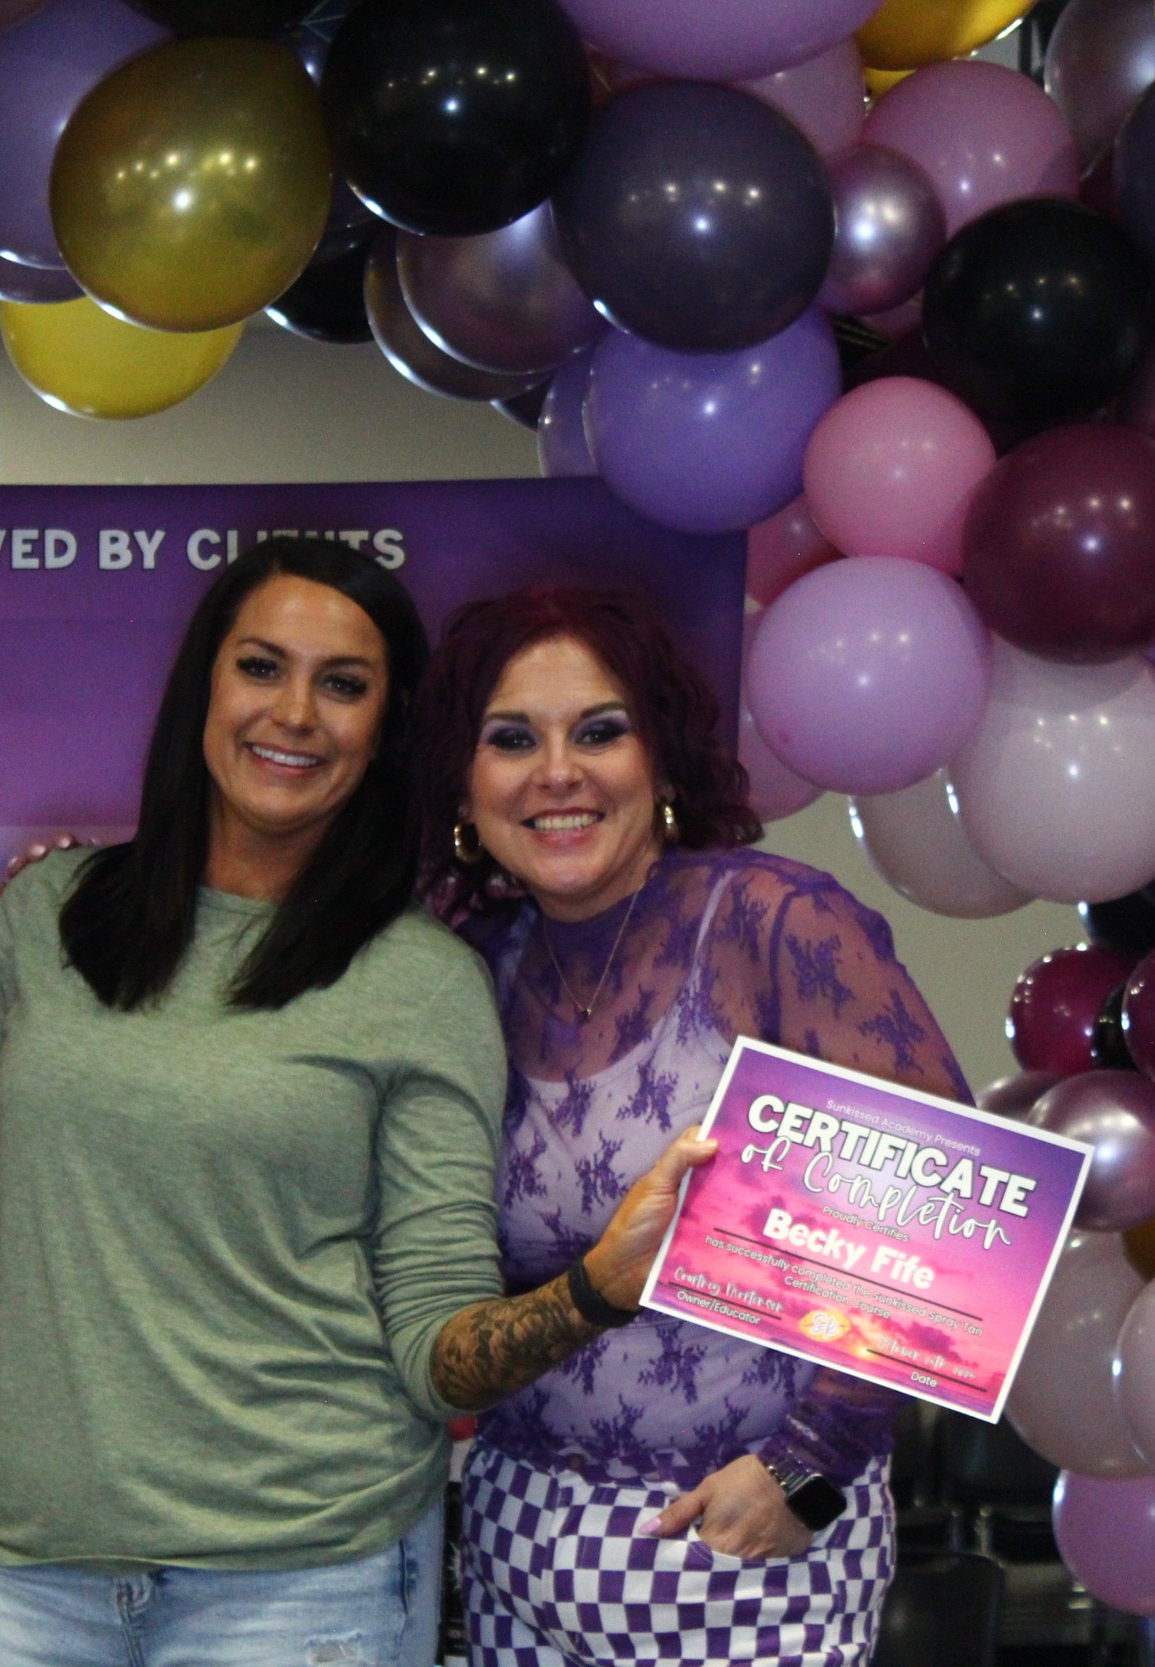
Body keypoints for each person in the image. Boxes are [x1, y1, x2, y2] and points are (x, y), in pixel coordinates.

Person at [0, 540, 711, 1667]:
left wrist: (595, 1287)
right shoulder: (49, 913)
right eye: (262, 666)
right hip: (36, 1577)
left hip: (302, 1588)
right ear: (203, 687)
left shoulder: (419, 980)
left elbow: (434, 1348)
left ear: (387, 727)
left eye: (343, 684)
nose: (295, 712)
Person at [410, 586, 971, 1667]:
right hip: (519, 1549)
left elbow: (943, 1229)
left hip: (752, 1553)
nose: (557, 772)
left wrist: (809, 1472)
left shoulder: (776, 924)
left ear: (662, 762)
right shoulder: (470, 967)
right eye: (512, 738)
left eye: (599, 731)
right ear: (463, 784)